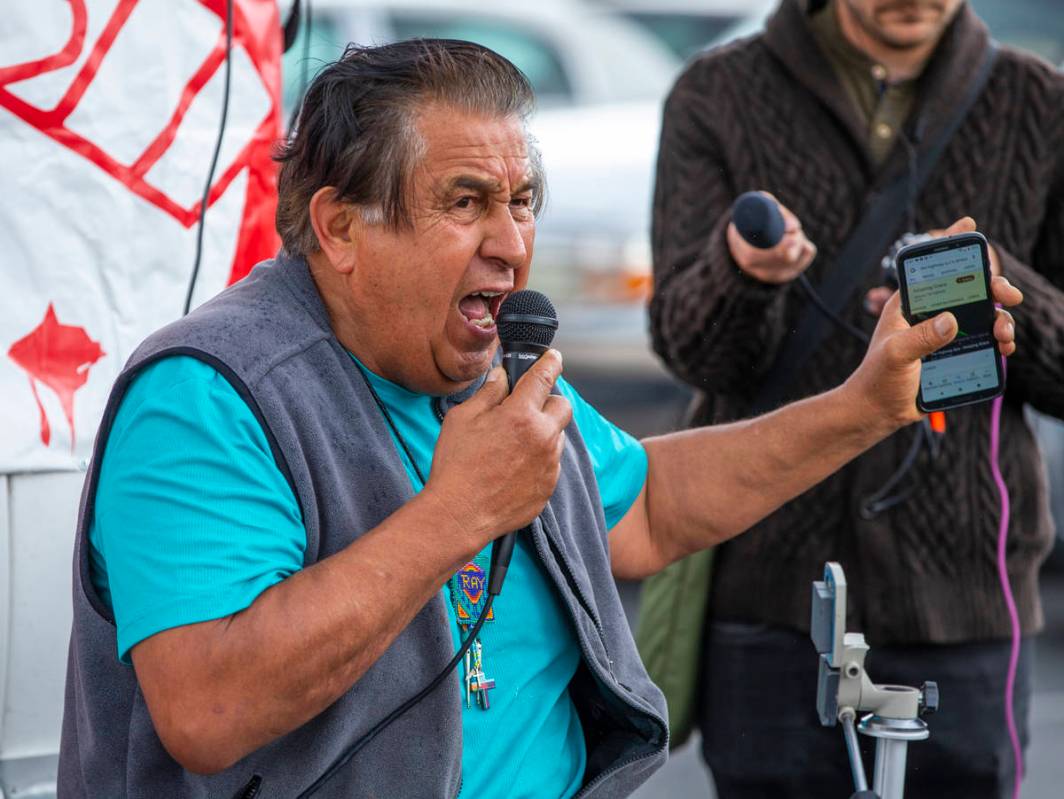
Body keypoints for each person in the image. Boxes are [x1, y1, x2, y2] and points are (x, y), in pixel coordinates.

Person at [58, 39, 1020, 799]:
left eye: (522, 202)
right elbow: (211, 706)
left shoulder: (490, 374)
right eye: (466, 202)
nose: (513, 246)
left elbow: (647, 510)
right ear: (342, 227)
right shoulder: (208, 394)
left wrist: (866, 404)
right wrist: (457, 512)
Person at [649, 0, 1064, 797]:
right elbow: (688, 345)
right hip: (771, 595)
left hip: (967, 601)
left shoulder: (1038, 102)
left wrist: (992, 285)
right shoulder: (716, 93)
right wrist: (742, 276)